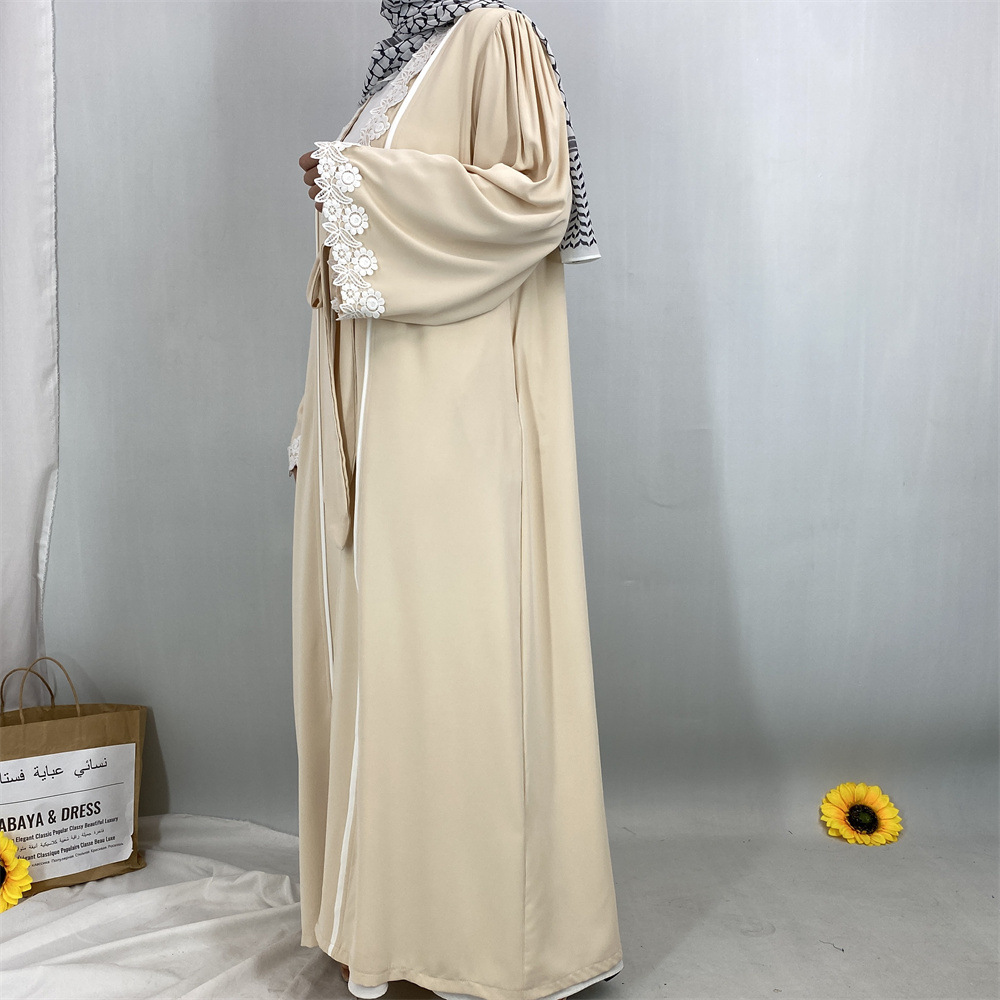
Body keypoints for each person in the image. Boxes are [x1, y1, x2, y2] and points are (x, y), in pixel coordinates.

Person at [289, 4, 623, 998]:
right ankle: (386, 919)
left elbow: (532, 200)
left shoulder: (494, 32)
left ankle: (467, 941)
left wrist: (351, 180)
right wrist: (347, 181)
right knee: (391, 651)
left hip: (455, 411)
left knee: (448, 655)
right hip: (386, 400)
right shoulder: (409, 53)